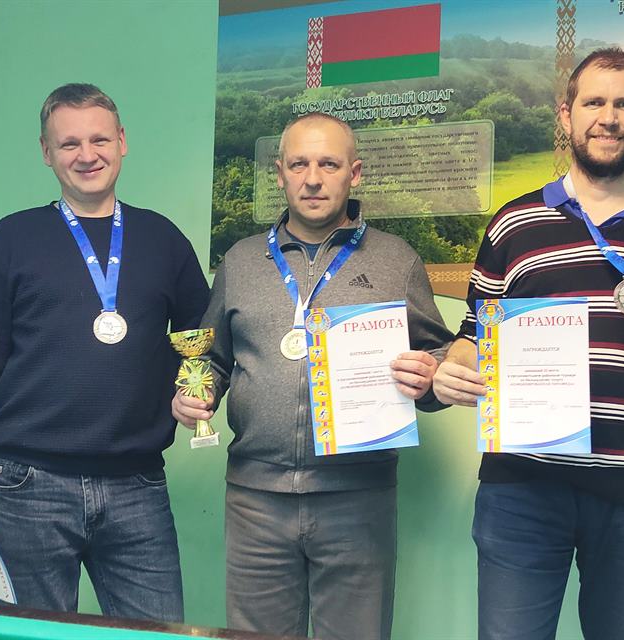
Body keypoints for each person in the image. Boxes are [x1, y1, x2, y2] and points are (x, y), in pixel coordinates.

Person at [432, 48, 624, 640]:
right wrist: (453, 369)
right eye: (594, 102)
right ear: (566, 115)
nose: (608, 117)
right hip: (523, 487)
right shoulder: (513, 224)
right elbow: (474, 336)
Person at [172, 113, 452, 640]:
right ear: (280, 173)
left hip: (358, 500)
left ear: (355, 173)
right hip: (255, 501)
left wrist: (431, 376)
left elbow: (439, 361)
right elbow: (213, 359)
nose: (313, 179)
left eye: (329, 164)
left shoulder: (396, 260)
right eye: (299, 164)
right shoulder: (241, 261)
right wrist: (195, 393)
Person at [0, 83, 210, 622]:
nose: (87, 155)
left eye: (99, 140)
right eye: (69, 144)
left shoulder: (164, 240)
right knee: (34, 638)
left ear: (122, 141)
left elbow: (203, 339)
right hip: (27, 484)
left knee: (158, 635)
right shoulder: (10, 240)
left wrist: (197, 391)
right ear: (47, 152)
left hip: (137, 483)